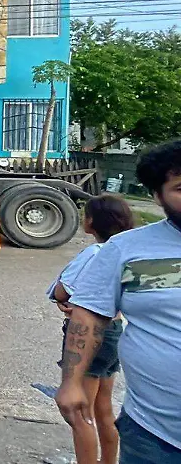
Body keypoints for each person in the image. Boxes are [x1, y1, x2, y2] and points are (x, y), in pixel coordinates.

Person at [57, 140, 181, 463]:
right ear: (157, 196)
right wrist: (71, 382)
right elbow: (89, 315)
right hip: (154, 436)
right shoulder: (125, 249)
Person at [47, 194, 134, 464]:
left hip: (92, 334)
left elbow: (63, 290)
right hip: (115, 330)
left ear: (92, 223)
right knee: (103, 408)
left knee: (80, 412)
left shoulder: (95, 252)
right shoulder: (125, 252)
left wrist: (63, 298)